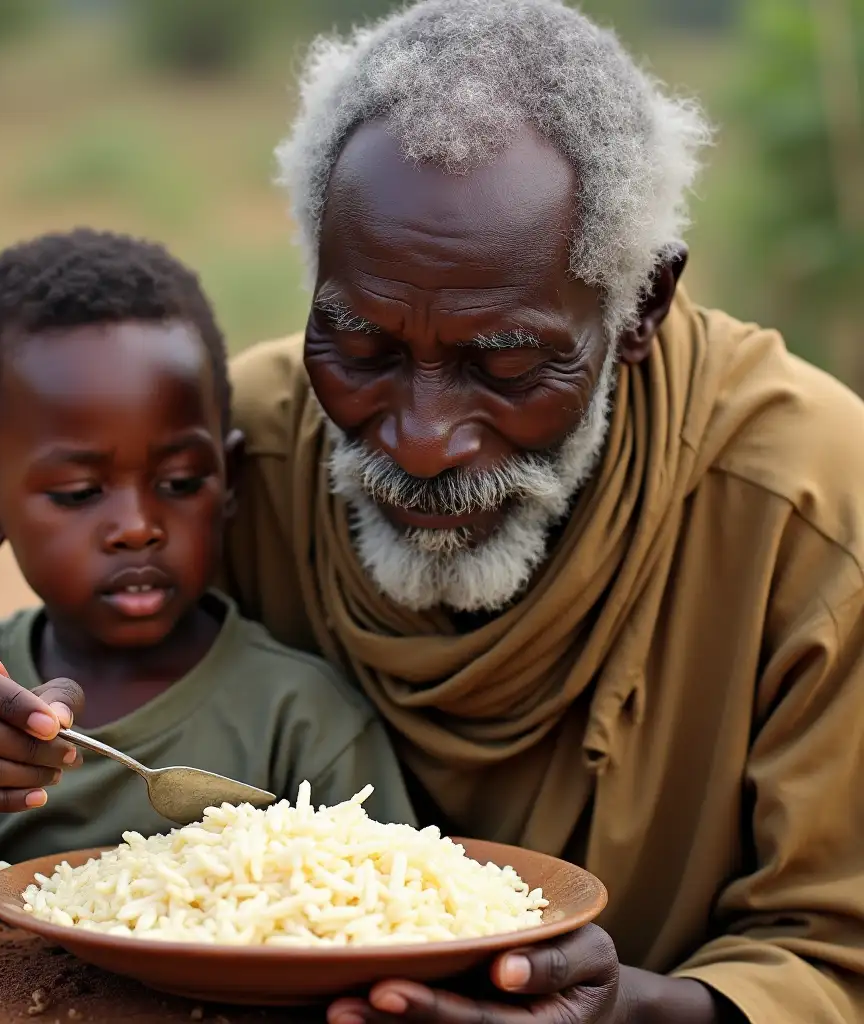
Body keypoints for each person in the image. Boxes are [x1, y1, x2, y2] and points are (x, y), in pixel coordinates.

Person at [219, 1, 864, 1022]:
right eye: (365, 348)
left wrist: (634, 1011)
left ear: (640, 305)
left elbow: (838, 951)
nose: (422, 439)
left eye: (507, 361)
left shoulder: (814, 511)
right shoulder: (235, 453)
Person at [0, 228, 414, 917]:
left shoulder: (300, 717)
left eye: (179, 481)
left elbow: (393, 905)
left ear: (228, 481)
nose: (138, 525)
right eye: (80, 494)